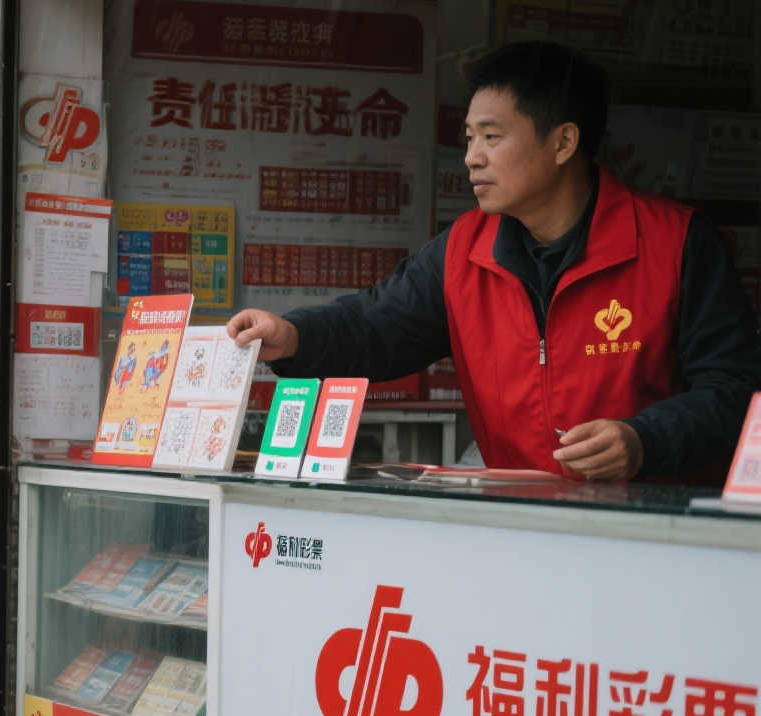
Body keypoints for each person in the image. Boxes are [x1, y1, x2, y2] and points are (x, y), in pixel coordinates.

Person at [227, 41, 761, 482]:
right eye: (468, 138)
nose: (471, 157)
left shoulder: (677, 242)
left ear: (563, 142)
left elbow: (736, 388)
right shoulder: (465, 249)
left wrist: (645, 440)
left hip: (655, 529)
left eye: (492, 137)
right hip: (516, 525)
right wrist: (293, 335)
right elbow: (376, 323)